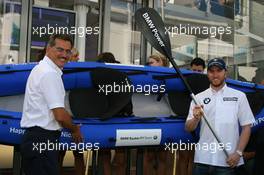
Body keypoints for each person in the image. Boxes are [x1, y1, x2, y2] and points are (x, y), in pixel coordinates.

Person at [20, 34, 83, 175]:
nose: (64, 55)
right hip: (42, 139)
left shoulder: (41, 69)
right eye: (60, 50)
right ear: (48, 49)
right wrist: (74, 129)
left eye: (68, 51)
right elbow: (60, 115)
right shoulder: (49, 74)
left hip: (36, 140)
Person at [185, 58, 255, 175]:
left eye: (219, 70)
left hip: (227, 161)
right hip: (202, 160)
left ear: (225, 73)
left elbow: (247, 127)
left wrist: (238, 153)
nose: (215, 74)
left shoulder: (239, 96)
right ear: (207, 73)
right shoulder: (198, 97)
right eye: (211, 71)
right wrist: (196, 118)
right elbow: (188, 128)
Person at [176, 57, 206, 175]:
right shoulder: (183, 81)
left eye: (199, 71)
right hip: (184, 122)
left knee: (194, 158)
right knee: (183, 157)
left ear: (204, 70)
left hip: (199, 125)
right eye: (194, 71)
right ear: (190, 69)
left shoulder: (207, 84)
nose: (197, 74)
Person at [58, 47, 85, 175]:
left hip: (75, 117)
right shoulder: (60, 72)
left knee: (78, 154)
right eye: (76, 56)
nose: (78, 59)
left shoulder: (78, 73)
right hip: (63, 117)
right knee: (59, 153)